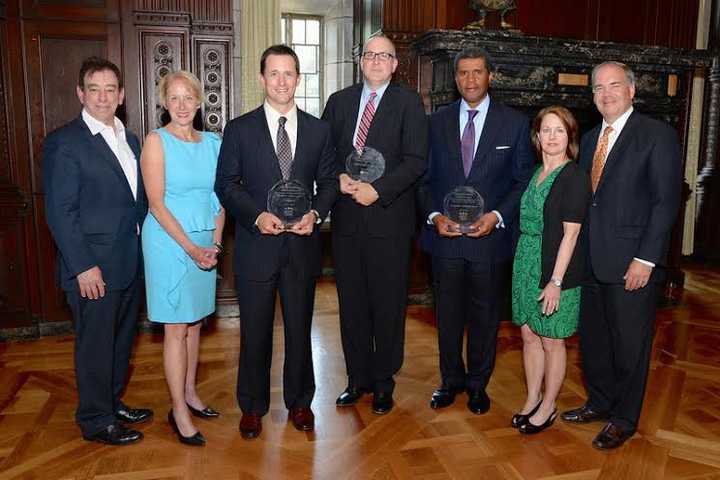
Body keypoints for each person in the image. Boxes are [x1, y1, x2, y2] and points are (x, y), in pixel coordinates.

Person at [215, 45, 337, 440]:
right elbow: (226, 185)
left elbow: (331, 181)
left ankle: (301, 402)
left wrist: (315, 213)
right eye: (274, 73)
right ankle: (252, 406)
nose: (282, 81)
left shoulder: (319, 129)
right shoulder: (239, 128)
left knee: (301, 330)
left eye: (289, 74)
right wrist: (255, 216)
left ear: (298, 79)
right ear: (262, 78)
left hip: (302, 248)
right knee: (255, 332)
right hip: (256, 248)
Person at [561, 61, 681, 449]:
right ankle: (599, 402)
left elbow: (665, 202)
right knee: (594, 342)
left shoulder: (656, 135)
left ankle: (624, 419)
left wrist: (646, 259)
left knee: (630, 345)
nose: (606, 93)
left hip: (632, 263)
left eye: (614, 85)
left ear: (632, 90)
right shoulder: (592, 137)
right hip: (591, 261)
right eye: (598, 87)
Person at [417, 47, 534, 414]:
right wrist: (436, 216)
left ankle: (478, 385)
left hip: (490, 240)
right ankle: (450, 381)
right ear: (456, 79)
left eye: (477, 72)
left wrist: (497, 215)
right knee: (448, 315)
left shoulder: (514, 123)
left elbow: (522, 180)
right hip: (446, 238)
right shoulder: (435, 122)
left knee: (485, 317)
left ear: (490, 76)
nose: (470, 80)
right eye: (463, 73)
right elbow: (423, 180)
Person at [43, 57, 152, 445]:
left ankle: (111, 402)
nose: (103, 97)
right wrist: (84, 267)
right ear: (80, 93)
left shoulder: (131, 139)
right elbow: (59, 212)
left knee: (121, 341)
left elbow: (136, 203)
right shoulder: (64, 142)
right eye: (94, 89)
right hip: (92, 270)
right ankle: (95, 420)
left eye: (110, 89)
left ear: (121, 95)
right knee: (95, 346)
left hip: (127, 263)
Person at [321, 34, 428, 415]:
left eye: (385, 56)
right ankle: (357, 379)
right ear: (360, 61)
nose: (377, 61)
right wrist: (338, 180)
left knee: (387, 304)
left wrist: (378, 191)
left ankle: (384, 381)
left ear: (395, 64)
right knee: (351, 305)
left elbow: (416, 161)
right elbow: (324, 153)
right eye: (370, 55)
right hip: (347, 221)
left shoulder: (409, 104)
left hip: (390, 221)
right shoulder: (339, 102)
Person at [140, 70, 225, 447]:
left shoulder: (214, 143)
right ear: (164, 103)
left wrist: (216, 245)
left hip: (206, 244)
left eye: (188, 97)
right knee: (176, 326)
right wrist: (191, 249)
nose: (182, 105)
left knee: (195, 324)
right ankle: (178, 410)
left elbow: (221, 199)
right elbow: (156, 204)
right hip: (170, 244)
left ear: (199, 101)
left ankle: (190, 392)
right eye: (173, 98)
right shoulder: (155, 142)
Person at [510, 106, 591, 434]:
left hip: (556, 268)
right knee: (529, 334)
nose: (553, 137)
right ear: (538, 135)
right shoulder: (533, 173)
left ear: (570, 137)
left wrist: (556, 281)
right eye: (547, 130)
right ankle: (532, 397)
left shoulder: (574, 176)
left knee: (551, 340)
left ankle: (549, 404)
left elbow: (571, 234)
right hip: (526, 261)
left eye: (560, 130)